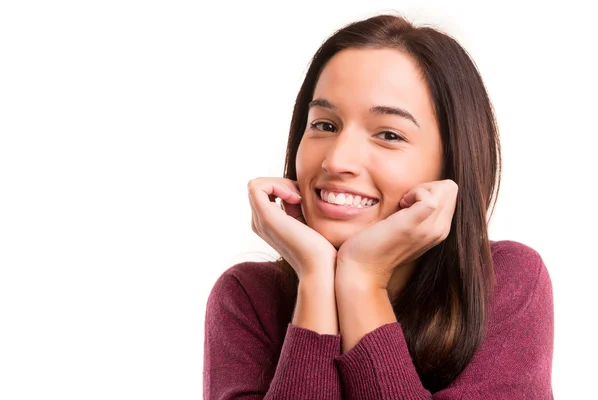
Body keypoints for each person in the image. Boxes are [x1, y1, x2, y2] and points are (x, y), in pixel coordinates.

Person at [203, 14, 554, 399]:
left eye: (388, 134)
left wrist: (361, 281)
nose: (336, 161)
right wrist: (316, 280)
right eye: (324, 125)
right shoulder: (248, 297)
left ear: (450, 165)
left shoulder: (504, 285)